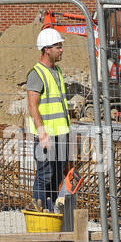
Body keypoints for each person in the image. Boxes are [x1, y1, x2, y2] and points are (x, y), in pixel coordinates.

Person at [27, 27, 71, 210]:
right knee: (44, 174)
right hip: (47, 135)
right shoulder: (37, 73)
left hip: (61, 133)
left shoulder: (57, 71)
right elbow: (32, 105)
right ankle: (39, 210)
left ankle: (51, 207)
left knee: (56, 175)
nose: (61, 50)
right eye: (58, 46)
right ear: (46, 49)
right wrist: (42, 133)